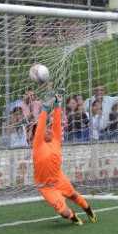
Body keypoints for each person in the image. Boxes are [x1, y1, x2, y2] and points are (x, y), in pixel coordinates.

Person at [32, 92, 97, 225]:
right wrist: (44, 109)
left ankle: (89, 210)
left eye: (49, 129)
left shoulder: (56, 140)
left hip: (59, 178)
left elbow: (56, 122)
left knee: (74, 195)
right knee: (64, 212)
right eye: (46, 129)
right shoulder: (38, 145)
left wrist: (57, 104)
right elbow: (40, 127)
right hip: (46, 187)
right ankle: (74, 217)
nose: (49, 130)